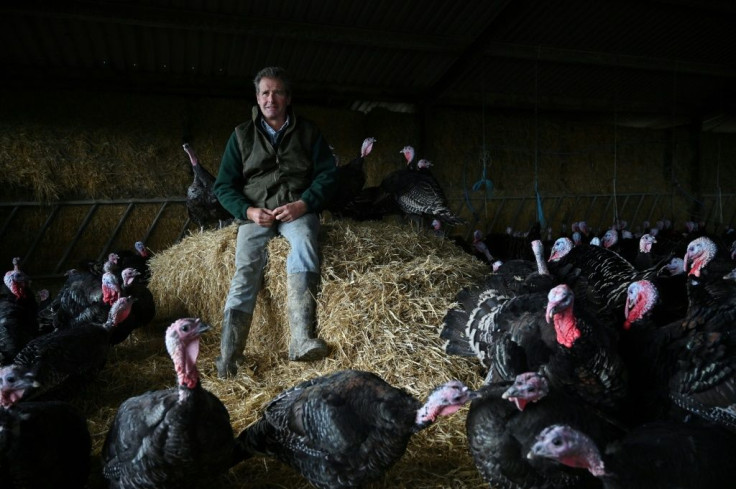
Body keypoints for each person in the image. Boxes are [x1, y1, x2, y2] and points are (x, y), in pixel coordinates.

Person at [212, 66, 338, 378]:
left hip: (295, 209)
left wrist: (304, 203)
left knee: (306, 242)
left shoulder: (308, 132)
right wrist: (247, 211)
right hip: (257, 214)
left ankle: (300, 339)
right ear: (257, 97)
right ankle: (229, 357)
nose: (271, 98)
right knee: (246, 268)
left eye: (278, 92)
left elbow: (328, 175)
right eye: (265, 92)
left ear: (288, 97)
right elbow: (223, 186)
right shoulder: (241, 135)